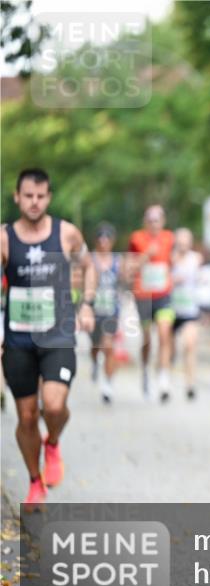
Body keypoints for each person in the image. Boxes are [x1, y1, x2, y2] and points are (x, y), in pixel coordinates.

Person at [2, 168, 95, 508]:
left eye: (41, 196)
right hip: (18, 340)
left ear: (49, 198)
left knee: (54, 406)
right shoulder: (4, 238)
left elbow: (89, 266)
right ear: (17, 197)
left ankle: (52, 442)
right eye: (28, 196)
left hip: (57, 334)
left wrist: (87, 304)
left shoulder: (67, 233)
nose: (34, 202)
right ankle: (34, 481)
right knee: (27, 416)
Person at [127, 205, 175, 403]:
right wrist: (147, 255)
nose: (154, 224)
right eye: (150, 220)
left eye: (157, 220)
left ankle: (163, 378)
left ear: (163, 221)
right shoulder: (137, 238)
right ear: (145, 222)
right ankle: (145, 369)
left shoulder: (169, 238)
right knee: (147, 338)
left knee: (164, 334)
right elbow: (130, 266)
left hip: (163, 294)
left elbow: (173, 261)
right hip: (144, 295)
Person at [90, 223, 122, 403]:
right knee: (95, 346)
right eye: (100, 238)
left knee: (108, 345)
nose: (103, 242)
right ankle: (95, 362)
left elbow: (125, 281)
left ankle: (108, 385)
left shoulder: (118, 260)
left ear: (112, 241)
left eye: (107, 238)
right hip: (93, 310)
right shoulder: (90, 260)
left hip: (111, 310)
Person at [170, 228, 203, 400]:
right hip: (171, 309)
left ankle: (190, 384)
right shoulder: (169, 258)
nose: (183, 245)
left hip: (190, 310)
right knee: (170, 349)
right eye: (180, 241)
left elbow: (201, 277)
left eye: (186, 241)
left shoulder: (196, 259)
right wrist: (172, 280)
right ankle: (166, 379)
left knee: (189, 345)